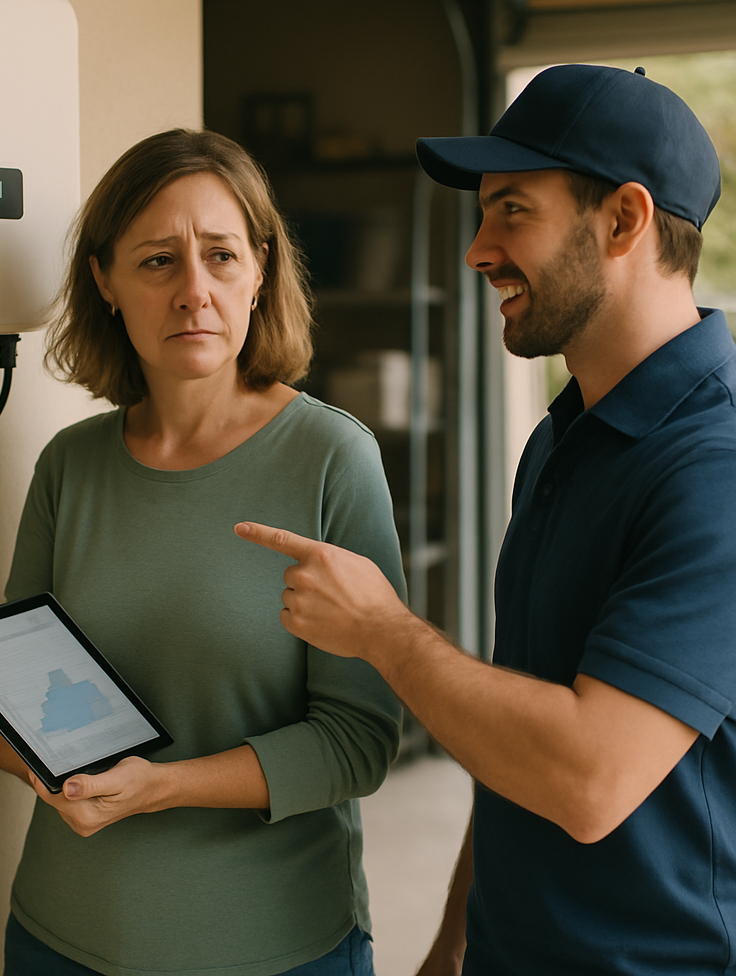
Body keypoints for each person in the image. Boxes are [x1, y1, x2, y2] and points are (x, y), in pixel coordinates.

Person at [236, 64, 736, 976]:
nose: (477, 249)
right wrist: (455, 942)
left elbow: (588, 778)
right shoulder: (564, 436)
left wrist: (383, 630)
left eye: (513, 209)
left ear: (624, 219)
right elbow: (518, 721)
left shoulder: (715, 467)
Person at [0, 128, 405, 976]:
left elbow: (360, 741)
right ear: (106, 281)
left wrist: (162, 785)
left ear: (261, 272)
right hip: (62, 939)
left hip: (274, 947)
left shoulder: (331, 461)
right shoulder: (70, 466)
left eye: (221, 255)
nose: (194, 292)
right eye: (158, 261)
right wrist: (30, 757)